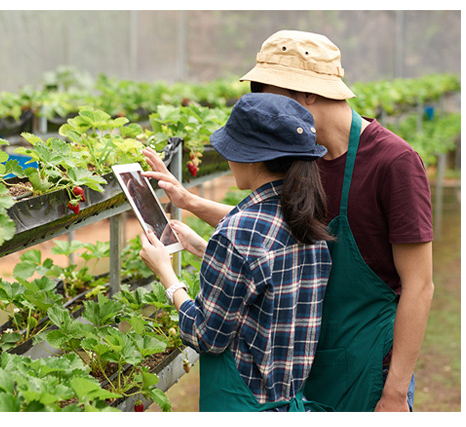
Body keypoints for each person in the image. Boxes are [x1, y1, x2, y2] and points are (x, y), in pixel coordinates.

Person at [144, 30, 435, 412]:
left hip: (368, 366)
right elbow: (273, 231)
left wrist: (395, 391)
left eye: (267, 96)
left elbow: (420, 284)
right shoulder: (302, 155)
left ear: (307, 93)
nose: (264, 110)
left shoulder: (392, 162)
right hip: (301, 361)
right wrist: (190, 202)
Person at [139, 92, 333, 412]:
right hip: (290, 401)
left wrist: (167, 275)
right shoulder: (307, 220)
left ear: (252, 157)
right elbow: (264, 279)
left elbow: (206, 336)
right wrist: (204, 247)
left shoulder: (238, 232)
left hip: (242, 404)